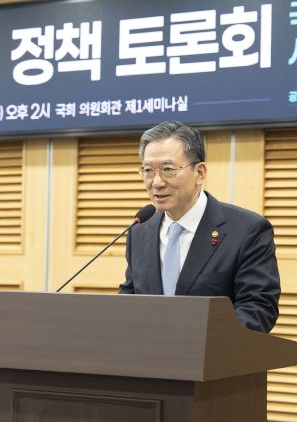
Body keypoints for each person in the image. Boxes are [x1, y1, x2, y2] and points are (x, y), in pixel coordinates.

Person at [119, 120, 280, 333]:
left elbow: (258, 308)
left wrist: (196, 341)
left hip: (214, 352)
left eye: (168, 169)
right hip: (149, 353)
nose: (156, 182)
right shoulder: (139, 230)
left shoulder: (247, 230)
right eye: (148, 170)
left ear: (200, 172)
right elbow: (129, 301)